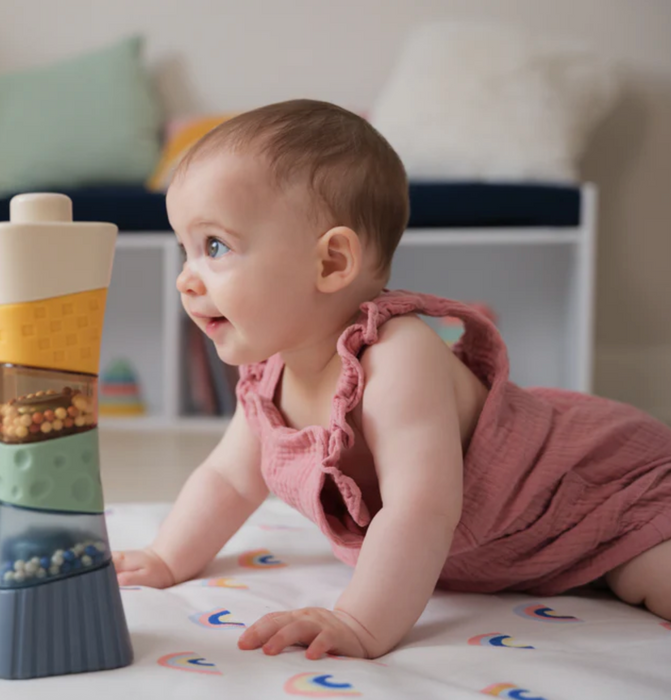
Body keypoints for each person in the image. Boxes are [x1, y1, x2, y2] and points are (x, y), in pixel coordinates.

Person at [112, 99, 671, 660]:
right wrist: (166, 558)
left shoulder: (397, 357)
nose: (186, 279)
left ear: (332, 263)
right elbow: (228, 481)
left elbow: (420, 510)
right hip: (524, 554)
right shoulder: (269, 375)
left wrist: (359, 622)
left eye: (214, 246)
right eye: (184, 250)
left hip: (603, 491)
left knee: (652, 574)